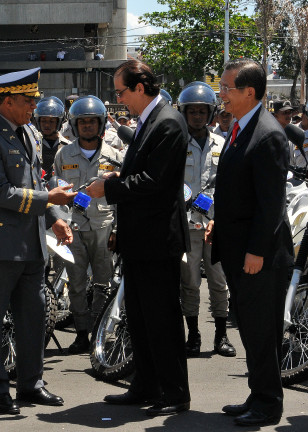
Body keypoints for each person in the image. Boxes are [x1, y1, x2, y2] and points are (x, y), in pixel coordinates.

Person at [86, 59, 191, 417]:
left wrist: (109, 188)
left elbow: (155, 182)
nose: (119, 100)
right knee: (140, 319)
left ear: (140, 88)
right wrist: (119, 177)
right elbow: (142, 171)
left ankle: (175, 392)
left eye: (121, 93)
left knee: (162, 319)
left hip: (157, 240)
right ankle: (145, 384)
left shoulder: (168, 122)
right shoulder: (149, 120)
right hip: (139, 239)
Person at [0, 67, 75, 415]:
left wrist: (54, 218)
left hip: (32, 245)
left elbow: (37, 181)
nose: (34, 107)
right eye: (28, 101)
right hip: (0, 247)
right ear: (8, 101)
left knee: (33, 318)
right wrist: (49, 201)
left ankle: (31, 383)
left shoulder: (27, 131)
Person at [206, 58, 293, 427]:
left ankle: (268, 404)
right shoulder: (240, 127)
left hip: (260, 256)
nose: (221, 94)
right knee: (251, 329)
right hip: (238, 249)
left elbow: (271, 205)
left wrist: (256, 250)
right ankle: (257, 395)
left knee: (262, 332)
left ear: (250, 92)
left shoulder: (268, 134)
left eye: (227, 88)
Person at [53, 96, 122, 354]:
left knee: (103, 282)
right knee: (76, 283)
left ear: (101, 123)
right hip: (74, 228)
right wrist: (59, 221)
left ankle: (99, 332)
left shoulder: (114, 155)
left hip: (104, 226)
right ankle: (82, 333)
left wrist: (117, 229)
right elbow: (57, 190)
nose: (88, 126)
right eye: (82, 122)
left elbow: (121, 196)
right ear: (74, 125)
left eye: (92, 121)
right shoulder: (64, 154)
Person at [176, 82, 235, 358]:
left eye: (202, 111)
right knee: (189, 283)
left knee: (219, 282)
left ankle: (221, 336)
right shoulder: (175, 143)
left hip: (215, 226)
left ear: (211, 113)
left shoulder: (223, 144)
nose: (197, 116)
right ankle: (193, 335)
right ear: (184, 113)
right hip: (186, 226)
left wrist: (218, 215)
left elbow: (229, 185)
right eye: (193, 111)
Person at [33, 97, 70, 179]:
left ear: (59, 122)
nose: (47, 125)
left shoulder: (69, 147)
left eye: (51, 121)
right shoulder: (32, 145)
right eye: (43, 121)